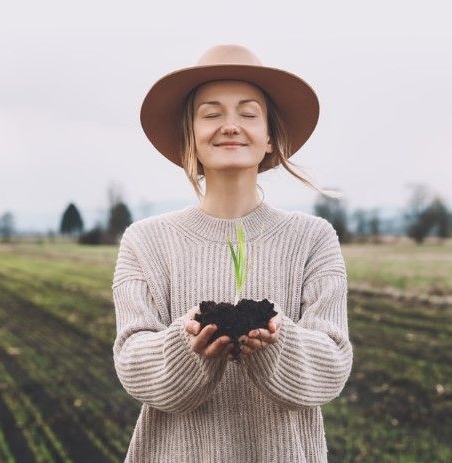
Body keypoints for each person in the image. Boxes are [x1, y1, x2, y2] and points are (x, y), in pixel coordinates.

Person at [112, 44, 353, 463]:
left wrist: (277, 340)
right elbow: (133, 364)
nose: (229, 126)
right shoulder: (146, 241)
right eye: (210, 114)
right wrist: (188, 344)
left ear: (270, 136)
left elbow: (331, 367)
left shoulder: (313, 238)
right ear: (191, 134)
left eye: (247, 113)